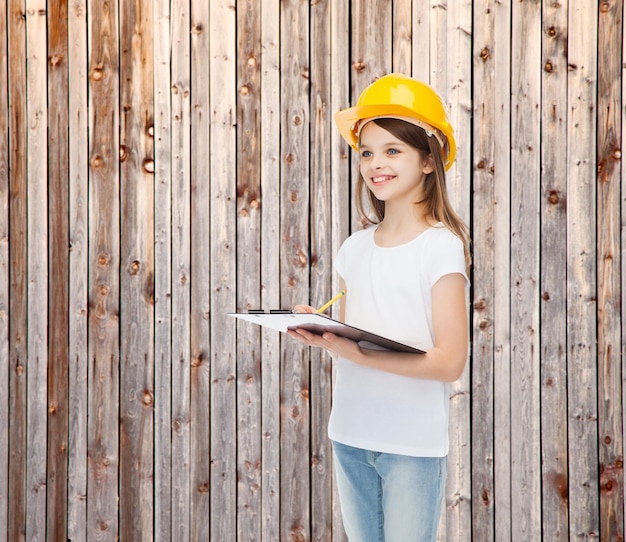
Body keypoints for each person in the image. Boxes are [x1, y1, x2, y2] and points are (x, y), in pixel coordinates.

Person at [288, 73, 471, 541]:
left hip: (410, 445)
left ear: (429, 161)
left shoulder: (440, 248)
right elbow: (357, 338)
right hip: (350, 434)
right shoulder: (354, 248)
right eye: (367, 152)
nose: (375, 163)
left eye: (393, 151)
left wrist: (358, 354)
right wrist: (321, 329)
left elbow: (449, 363)